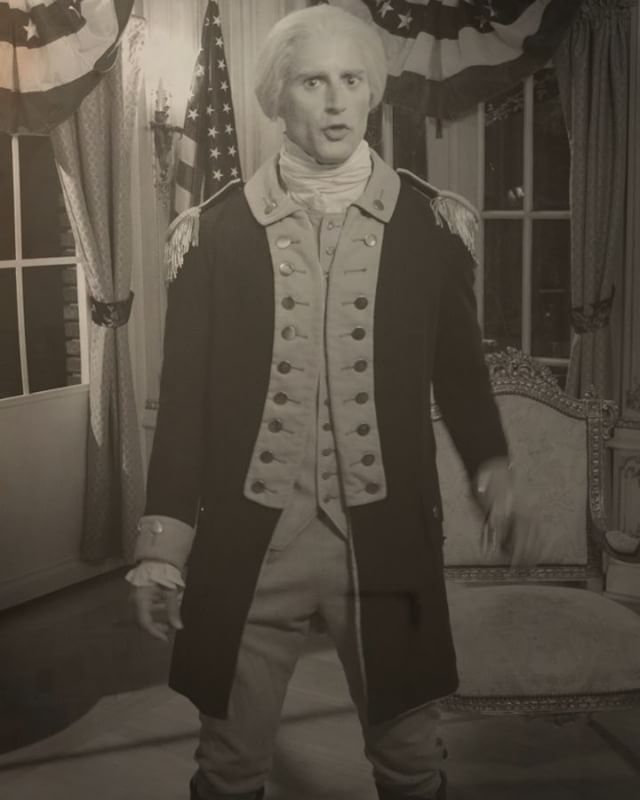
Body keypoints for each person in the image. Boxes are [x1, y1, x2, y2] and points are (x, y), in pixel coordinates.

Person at [127, 6, 542, 799]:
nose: (336, 101)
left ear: (372, 92)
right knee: (228, 765)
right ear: (277, 98)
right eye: (313, 82)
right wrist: (161, 546)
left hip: (387, 541)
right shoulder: (213, 234)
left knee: (411, 762)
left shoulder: (428, 224)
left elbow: (461, 374)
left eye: (352, 80)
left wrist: (493, 467)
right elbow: (183, 404)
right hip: (251, 543)